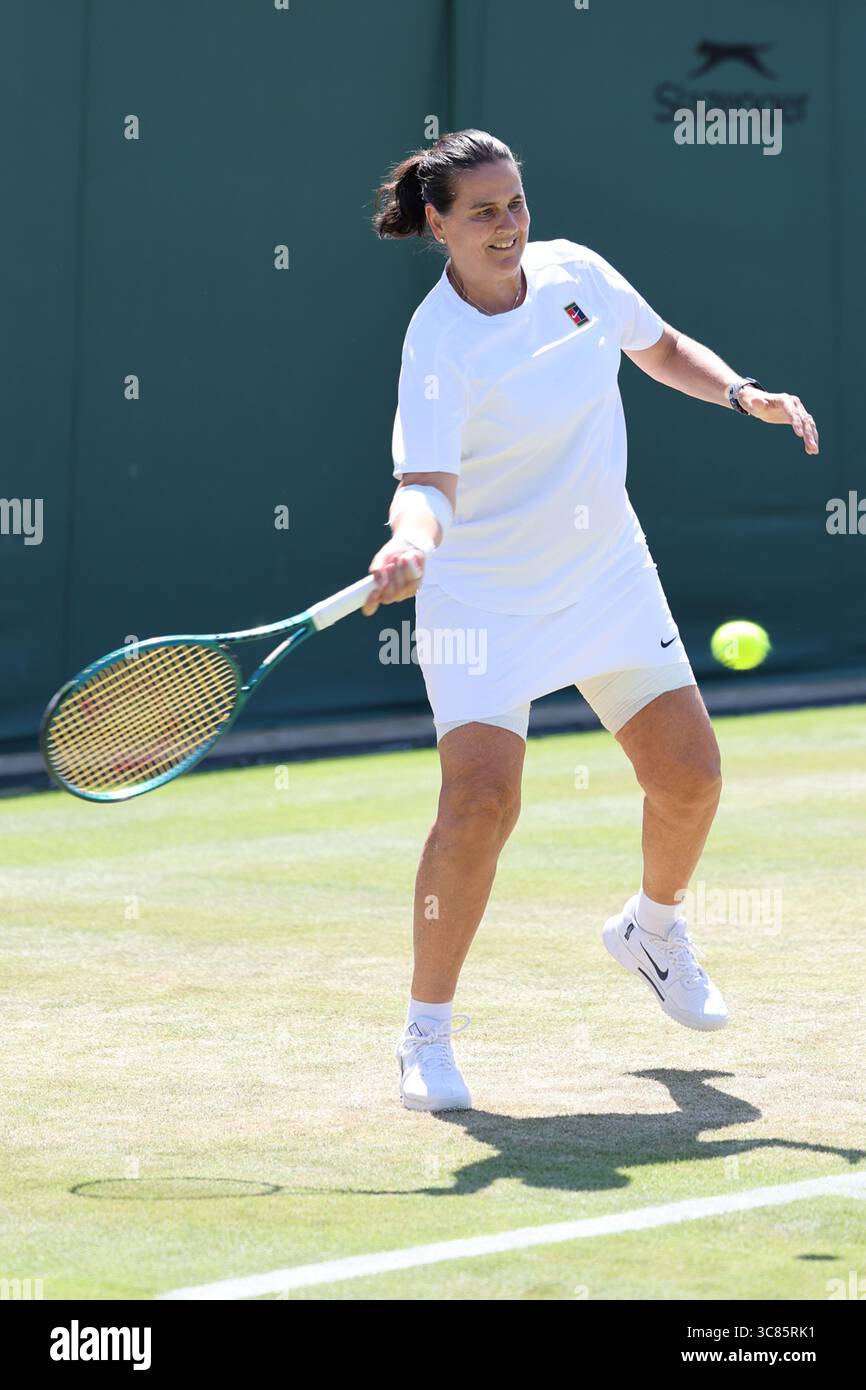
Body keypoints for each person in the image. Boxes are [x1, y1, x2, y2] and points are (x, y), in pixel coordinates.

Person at [366, 129, 819, 1113]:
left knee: (690, 777)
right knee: (479, 803)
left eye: (515, 203)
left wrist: (740, 392)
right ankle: (426, 1031)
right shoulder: (436, 347)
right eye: (481, 211)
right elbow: (426, 485)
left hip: (602, 570)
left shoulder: (575, 274)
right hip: (480, 595)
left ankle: (650, 930)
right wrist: (408, 544)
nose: (506, 225)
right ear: (435, 223)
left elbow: (656, 348)